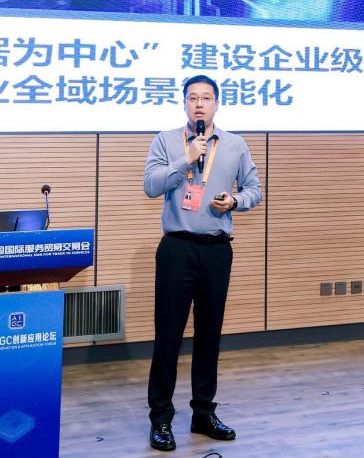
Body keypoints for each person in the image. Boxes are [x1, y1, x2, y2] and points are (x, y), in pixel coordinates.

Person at [142, 74, 263, 452]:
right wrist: (186, 160)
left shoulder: (235, 144)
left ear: (216, 104)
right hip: (176, 248)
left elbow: (255, 190)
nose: (199, 104)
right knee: (168, 335)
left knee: (210, 335)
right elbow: (150, 186)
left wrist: (235, 202)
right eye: (193, 97)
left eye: (206, 98)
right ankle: (161, 419)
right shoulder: (166, 141)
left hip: (216, 249)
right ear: (184, 103)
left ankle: (203, 413)